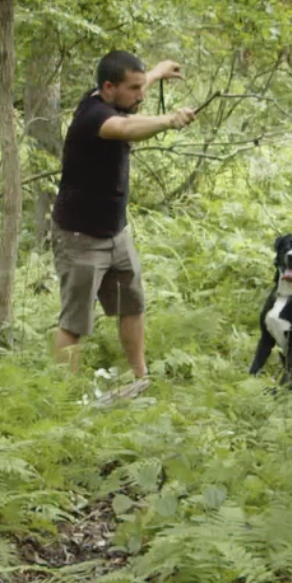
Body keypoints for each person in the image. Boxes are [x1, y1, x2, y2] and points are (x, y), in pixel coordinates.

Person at [50, 50, 196, 391]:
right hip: (80, 236)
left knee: (132, 305)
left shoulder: (116, 97)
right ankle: (61, 398)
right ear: (108, 87)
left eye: (141, 86)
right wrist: (168, 120)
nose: (140, 95)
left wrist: (157, 71)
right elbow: (126, 128)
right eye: (133, 89)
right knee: (75, 322)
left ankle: (140, 378)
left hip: (116, 232)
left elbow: (133, 96)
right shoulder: (96, 116)